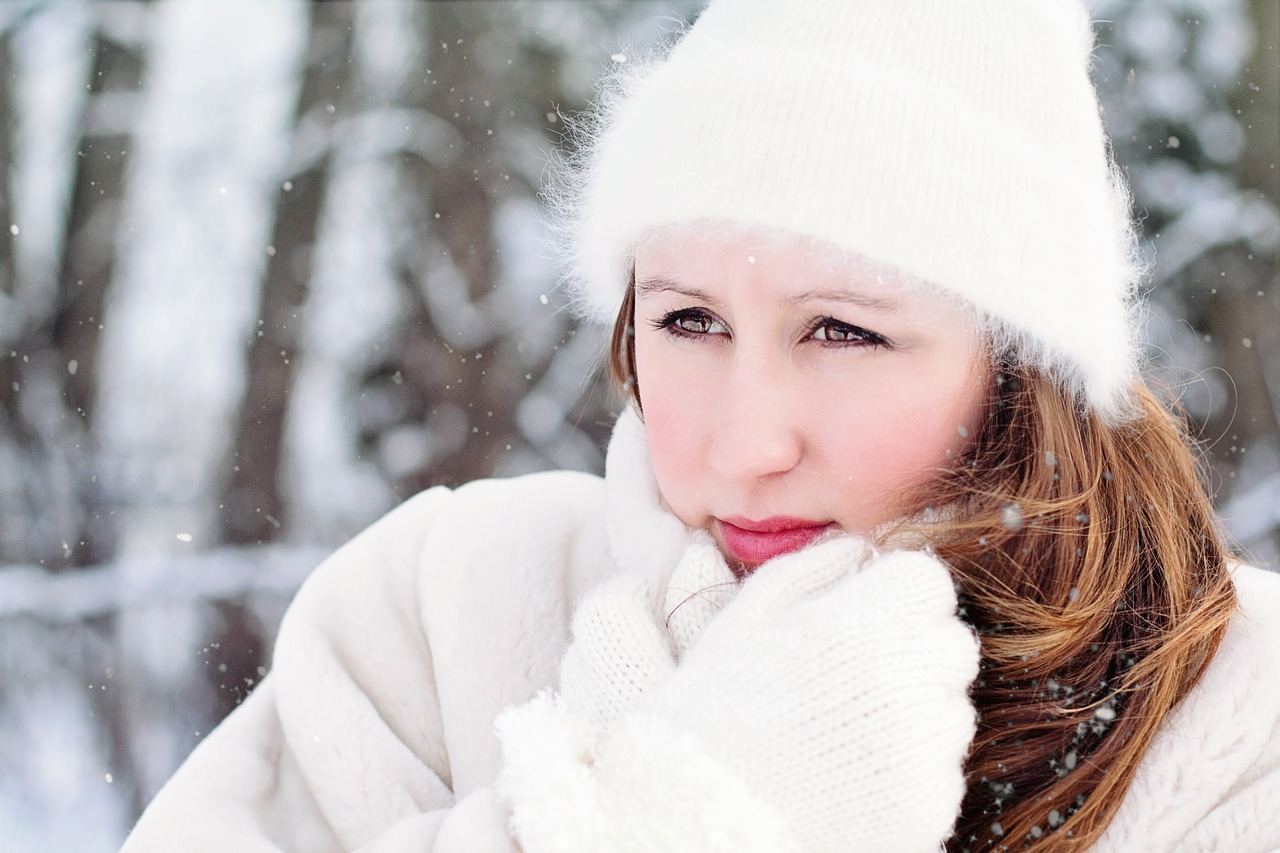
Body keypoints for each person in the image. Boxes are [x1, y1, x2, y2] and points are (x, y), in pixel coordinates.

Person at [122, 1, 1280, 851]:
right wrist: (671, 813)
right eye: (687, 319)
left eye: (841, 332)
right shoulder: (443, 611)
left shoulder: (1243, 719)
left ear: (1018, 369)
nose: (741, 446)